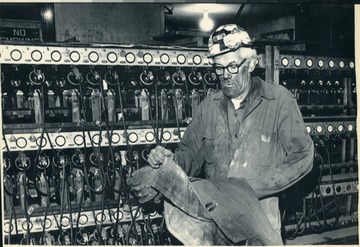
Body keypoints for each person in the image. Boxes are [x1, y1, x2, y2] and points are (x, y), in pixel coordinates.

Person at [128, 24, 314, 245]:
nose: (226, 75)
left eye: (233, 66)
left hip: (260, 222)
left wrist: (247, 190)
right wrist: (170, 162)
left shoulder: (279, 101)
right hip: (214, 226)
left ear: (252, 64)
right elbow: (189, 155)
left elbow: (303, 157)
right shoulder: (208, 108)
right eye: (218, 68)